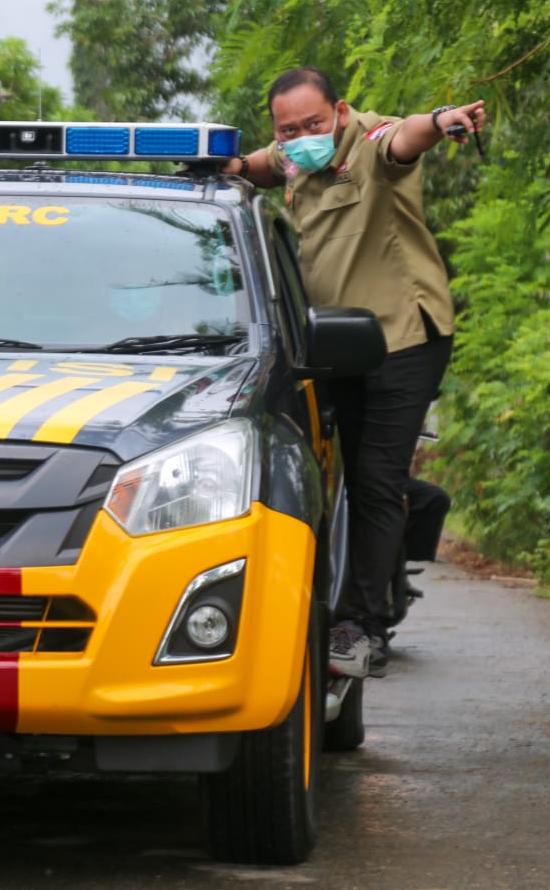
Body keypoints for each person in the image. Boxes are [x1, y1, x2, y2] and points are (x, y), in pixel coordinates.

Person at [225, 66, 484, 679]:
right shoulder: (293, 157)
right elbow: (261, 166)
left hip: (401, 337)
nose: (302, 135)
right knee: (327, 470)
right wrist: (230, 168)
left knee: (373, 480)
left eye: (313, 123)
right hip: (332, 345)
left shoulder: (370, 142)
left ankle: (363, 628)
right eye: (288, 129)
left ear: (339, 111)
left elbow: (407, 137)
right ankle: (402, 531)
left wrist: (442, 120)